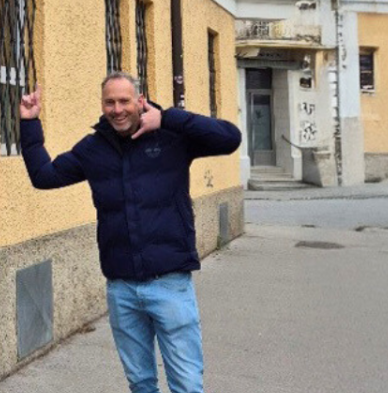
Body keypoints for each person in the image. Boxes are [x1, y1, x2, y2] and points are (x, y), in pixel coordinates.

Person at [18, 71, 242, 393]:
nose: (117, 109)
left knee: (187, 384)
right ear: (102, 105)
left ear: (140, 101)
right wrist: (29, 123)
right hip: (122, 289)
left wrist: (167, 119)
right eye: (110, 102)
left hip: (170, 285)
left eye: (124, 101)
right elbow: (44, 175)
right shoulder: (93, 149)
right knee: (140, 383)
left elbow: (229, 138)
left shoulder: (171, 139)